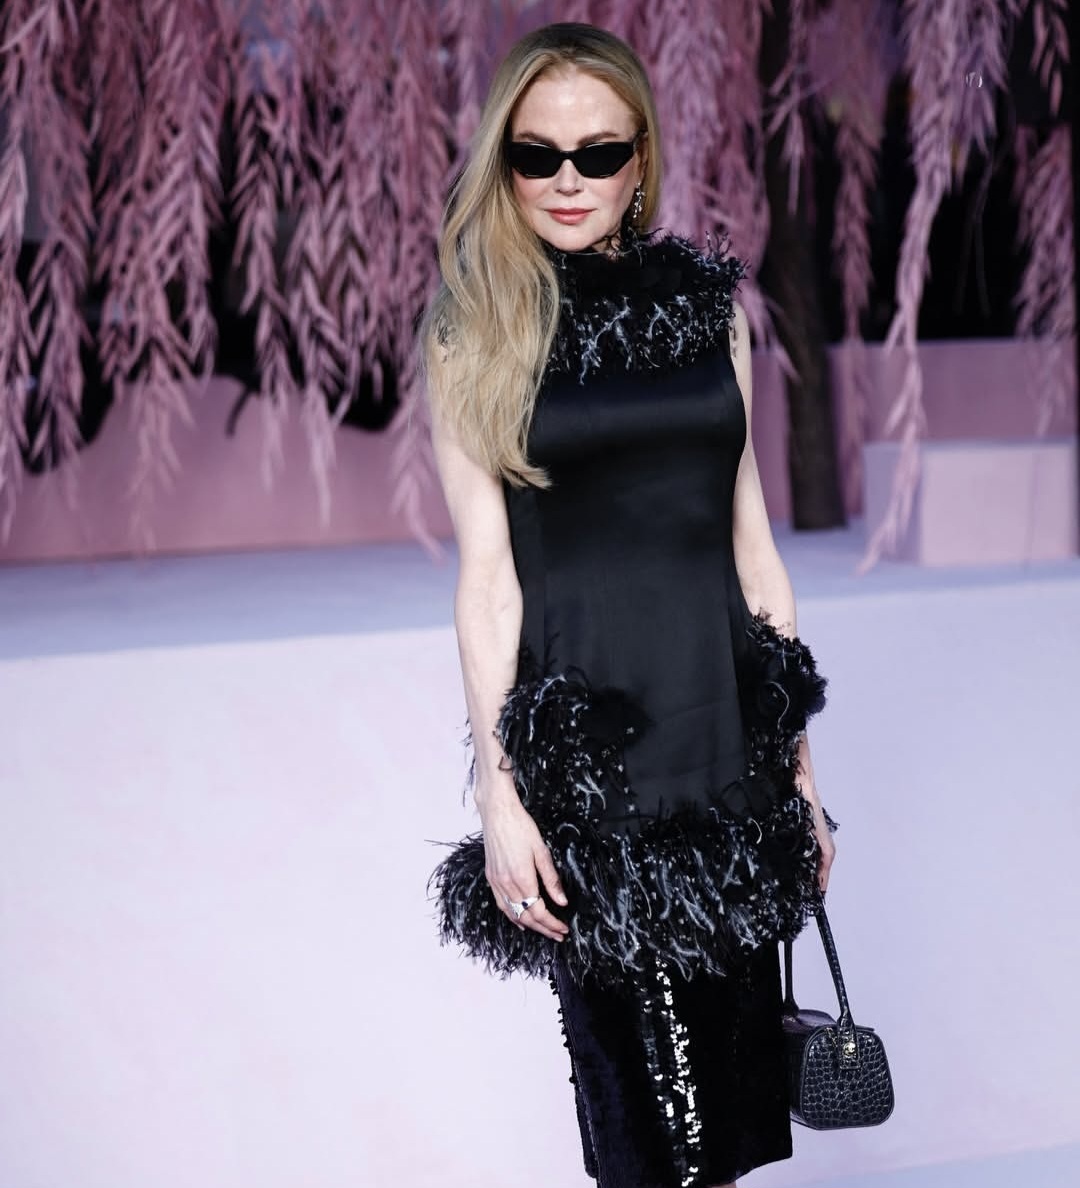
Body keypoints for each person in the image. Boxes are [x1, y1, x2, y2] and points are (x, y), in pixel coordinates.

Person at [422, 22, 838, 1188]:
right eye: (537, 154)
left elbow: (755, 555)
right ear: (503, 161)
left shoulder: (711, 315)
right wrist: (500, 798)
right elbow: (487, 584)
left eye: (597, 154)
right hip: (595, 774)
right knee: (651, 1140)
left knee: (730, 1126)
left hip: (725, 749)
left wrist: (802, 779)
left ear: (640, 158)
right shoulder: (477, 330)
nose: (568, 180)